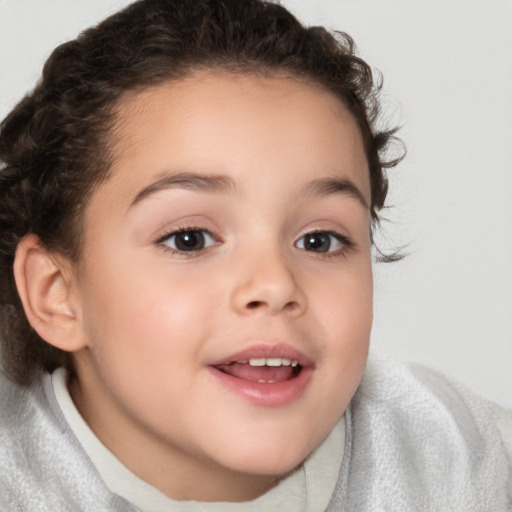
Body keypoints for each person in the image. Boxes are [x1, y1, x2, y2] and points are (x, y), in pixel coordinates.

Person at [0, 0, 510, 510]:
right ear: (57, 294)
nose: (274, 285)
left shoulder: (467, 462)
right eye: (190, 239)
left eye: (320, 240)